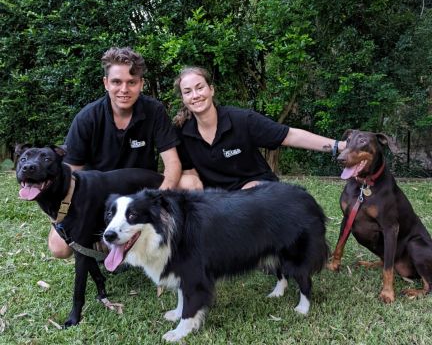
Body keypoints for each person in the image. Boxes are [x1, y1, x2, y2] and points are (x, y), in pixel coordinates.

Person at [49, 47, 182, 258]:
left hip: (139, 195)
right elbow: (69, 177)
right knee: (59, 247)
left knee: (191, 184)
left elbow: (173, 164)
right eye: (116, 82)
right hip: (98, 199)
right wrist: (72, 215)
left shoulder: (154, 110)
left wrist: (156, 203)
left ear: (141, 84)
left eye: (132, 82)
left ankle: (171, 241)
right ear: (105, 83)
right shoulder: (87, 118)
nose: (124, 89)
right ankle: (102, 239)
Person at [173, 66, 346, 191]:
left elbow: (290, 135)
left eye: (200, 87)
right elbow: (191, 176)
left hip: (256, 190)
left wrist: (338, 145)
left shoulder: (242, 119)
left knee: (249, 196)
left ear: (211, 90)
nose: (195, 95)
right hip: (220, 203)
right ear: (183, 98)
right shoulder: (182, 131)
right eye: (187, 92)